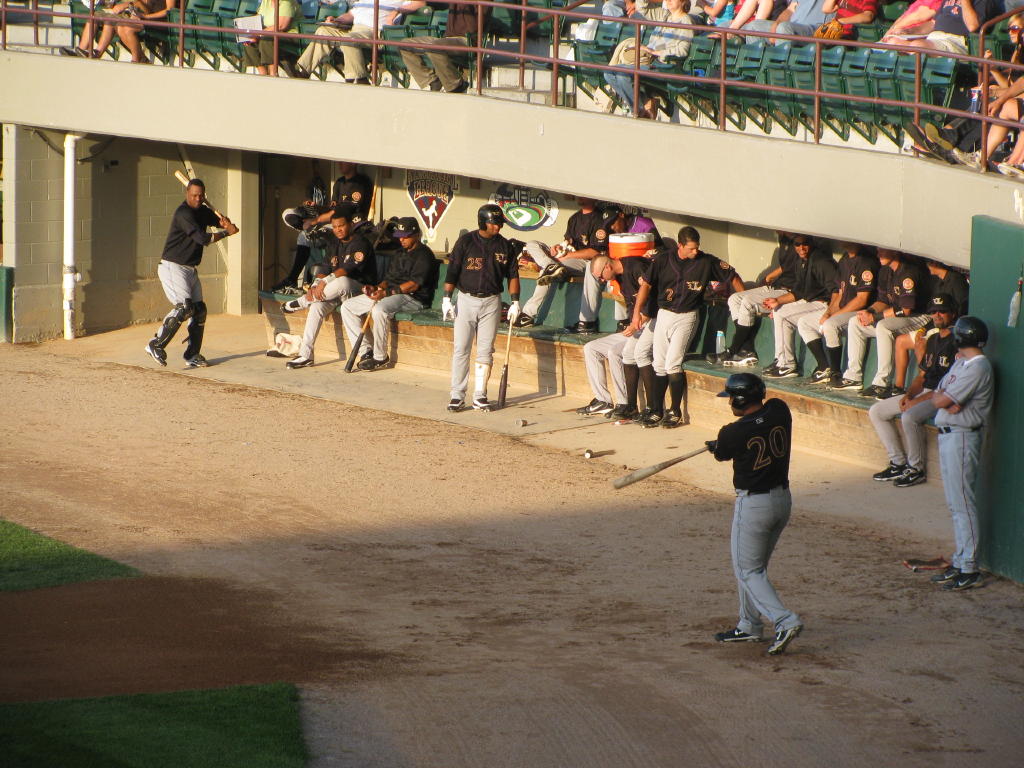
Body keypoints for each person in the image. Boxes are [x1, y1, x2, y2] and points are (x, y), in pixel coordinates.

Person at [706, 373, 803, 656]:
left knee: (748, 570)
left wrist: (719, 445)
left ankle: (785, 621)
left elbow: (724, 452)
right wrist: (724, 445)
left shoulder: (732, 432)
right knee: (754, 568)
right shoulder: (779, 409)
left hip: (755, 507)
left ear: (739, 399)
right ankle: (749, 625)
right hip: (782, 501)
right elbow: (754, 429)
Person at [631, 226, 741, 428]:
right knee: (659, 363)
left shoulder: (705, 261)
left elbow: (732, 275)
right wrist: (636, 313)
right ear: (680, 245)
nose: (695, 251)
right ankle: (656, 409)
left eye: (697, 247)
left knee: (673, 363)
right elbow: (646, 285)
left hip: (687, 316)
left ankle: (675, 410)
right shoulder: (664, 259)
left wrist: (744, 299)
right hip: (664, 314)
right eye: (691, 248)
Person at [144, 179, 239, 368]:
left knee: (199, 310)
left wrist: (225, 222)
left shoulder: (203, 211)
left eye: (200, 195)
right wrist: (227, 233)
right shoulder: (183, 214)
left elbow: (219, 222)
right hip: (173, 266)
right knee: (184, 307)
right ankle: (155, 344)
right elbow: (203, 238)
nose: (197, 199)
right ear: (187, 194)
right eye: (194, 195)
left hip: (190, 268)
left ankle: (192, 354)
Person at [929, 316, 994, 591]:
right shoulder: (961, 362)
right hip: (949, 436)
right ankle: (960, 560)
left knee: (963, 504)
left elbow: (942, 399)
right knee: (956, 505)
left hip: (963, 437)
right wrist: (945, 400)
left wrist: (946, 400)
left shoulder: (978, 367)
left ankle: (970, 568)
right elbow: (938, 395)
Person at [867, 294, 958, 488]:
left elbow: (947, 387)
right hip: (925, 391)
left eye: (942, 311)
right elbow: (920, 376)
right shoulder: (933, 339)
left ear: (953, 314)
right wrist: (909, 395)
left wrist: (915, 401)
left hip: (941, 396)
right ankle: (898, 462)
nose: (937, 315)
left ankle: (916, 469)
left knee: (909, 416)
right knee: (877, 411)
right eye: (934, 311)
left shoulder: (956, 343)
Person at [442, 204, 521, 412]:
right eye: (494, 223)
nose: (498, 227)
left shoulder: (506, 246)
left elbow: (513, 275)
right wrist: (446, 298)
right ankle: (457, 395)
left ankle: (480, 395)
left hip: (492, 301)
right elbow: (452, 271)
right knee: (461, 348)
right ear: (482, 222)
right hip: (466, 299)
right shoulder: (466, 241)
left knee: (486, 351)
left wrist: (515, 301)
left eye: (499, 223)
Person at [280, 203, 378, 369]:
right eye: (335, 227)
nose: (338, 230)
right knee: (316, 307)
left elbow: (347, 269)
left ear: (351, 225)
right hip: (335, 294)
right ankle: (306, 354)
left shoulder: (361, 243)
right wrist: (316, 284)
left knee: (342, 281)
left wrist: (324, 282)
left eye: (342, 226)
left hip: (360, 291)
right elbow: (325, 267)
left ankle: (302, 302)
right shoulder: (334, 243)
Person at [339, 217, 439, 370]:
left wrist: (386, 293)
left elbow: (413, 285)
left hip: (414, 299)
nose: (402, 239)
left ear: (417, 235)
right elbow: (388, 279)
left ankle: (380, 357)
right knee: (347, 306)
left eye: (406, 236)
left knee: (380, 309)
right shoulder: (399, 253)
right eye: (400, 236)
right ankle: (365, 351)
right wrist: (377, 288)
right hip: (392, 295)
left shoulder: (424, 255)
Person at [831, 249, 929, 398]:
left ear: (895, 253)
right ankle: (853, 376)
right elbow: (882, 301)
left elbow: (906, 310)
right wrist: (869, 312)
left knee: (884, 326)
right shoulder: (885, 271)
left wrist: (876, 317)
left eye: (882, 252)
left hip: (920, 317)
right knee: (855, 322)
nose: (878, 255)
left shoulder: (908, 272)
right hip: (898, 317)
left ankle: (881, 383)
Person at [513, 198, 614, 333]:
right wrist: (558, 248)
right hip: (568, 257)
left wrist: (567, 256)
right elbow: (568, 242)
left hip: (587, 261)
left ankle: (528, 314)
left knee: (549, 268)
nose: (579, 197)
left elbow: (595, 252)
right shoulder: (575, 218)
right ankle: (550, 265)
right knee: (532, 244)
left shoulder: (599, 219)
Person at [575, 246, 653, 418]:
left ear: (608, 267)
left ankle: (624, 403)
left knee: (615, 352)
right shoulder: (620, 277)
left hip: (653, 323)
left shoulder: (636, 266)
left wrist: (638, 322)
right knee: (591, 348)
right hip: (637, 326)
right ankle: (603, 400)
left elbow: (653, 300)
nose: (602, 281)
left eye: (601, 276)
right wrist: (631, 325)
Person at [709, 231, 802, 367]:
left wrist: (769, 279)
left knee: (748, 302)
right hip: (775, 287)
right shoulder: (784, 240)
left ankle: (732, 350)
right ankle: (746, 349)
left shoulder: (799, 243)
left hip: (786, 291)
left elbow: (792, 267)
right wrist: (768, 279)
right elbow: (786, 266)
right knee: (734, 299)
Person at [761, 236, 839, 379]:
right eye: (797, 244)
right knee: (779, 310)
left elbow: (837, 290)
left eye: (805, 244)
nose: (801, 248)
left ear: (811, 244)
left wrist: (830, 312)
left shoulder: (821, 262)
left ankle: (788, 364)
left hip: (826, 304)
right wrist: (777, 301)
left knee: (784, 316)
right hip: (812, 302)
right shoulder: (801, 261)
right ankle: (782, 361)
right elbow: (799, 292)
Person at [293, 0, 426, 83]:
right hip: (354, 28)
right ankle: (303, 70)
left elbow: (420, 2)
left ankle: (357, 78)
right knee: (324, 30)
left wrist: (397, 11)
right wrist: (337, 20)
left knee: (350, 39)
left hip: (374, 32)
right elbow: (352, 14)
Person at [602, 0, 696, 118]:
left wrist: (657, 52)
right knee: (608, 72)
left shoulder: (686, 21)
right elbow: (642, 6)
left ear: (683, 2)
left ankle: (637, 111)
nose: (669, 1)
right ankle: (644, 102)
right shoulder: (665, 15)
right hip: (647, 59)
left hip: (662, 64)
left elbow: (682, 50)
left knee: (622, 75)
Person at [398, 0, 490, 93]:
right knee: (405, 45)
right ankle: (432, 81)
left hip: (467, 41)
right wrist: (422, 4)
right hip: (446, 39)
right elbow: (437, 4)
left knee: (434, 47)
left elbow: (476, 24)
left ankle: (455, 84)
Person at [273, 161, 330, 291]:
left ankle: (292, 278)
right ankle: (305, 222)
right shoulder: (336, 185)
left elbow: (335, 213)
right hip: (314, 220)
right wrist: (312, 207)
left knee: (303, 236)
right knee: (287, 214)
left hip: (330, 225)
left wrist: (317, 216)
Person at [908, 0, 1005, 55]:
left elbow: (972, 27)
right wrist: (909, 31)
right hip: (935, 38)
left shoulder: (986, 2)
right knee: (894, 42)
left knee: (917, 46)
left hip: (958, 43)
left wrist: (965, 2)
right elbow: (933, 23)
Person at [241, 0, 297, 77]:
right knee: (249, 41)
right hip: (266, 34)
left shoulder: (287, 2)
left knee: (267, 39)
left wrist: (259, 34)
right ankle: (262, 73)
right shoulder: (265, 2)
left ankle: (273, 73)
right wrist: (253, 36)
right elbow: (257, 20)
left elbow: (281, 26)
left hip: (290, 37)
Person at [741, 0, 833, 37]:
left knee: (784, 28)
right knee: (755, 26)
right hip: (792, 25)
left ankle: (780, 69)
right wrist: (776, 24)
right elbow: (789, 10)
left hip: (815, 29)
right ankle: (757, 68)